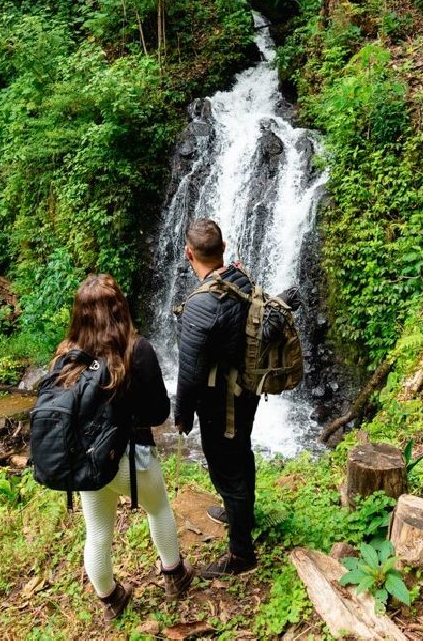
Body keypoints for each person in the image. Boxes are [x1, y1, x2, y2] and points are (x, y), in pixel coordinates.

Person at [54, 274, 194, 618]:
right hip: (132, 457)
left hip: (88, 458)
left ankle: (110, 599)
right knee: (158, 508)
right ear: (120, 308)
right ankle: (174, 575)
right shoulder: (137, 350)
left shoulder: (66, 355)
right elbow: (159, 412)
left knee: (98, 530)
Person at [174, 219, 259, 578]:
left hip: (221, 402)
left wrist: (182, 415)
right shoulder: (240, 278)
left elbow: (190, 372)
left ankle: (241, 555)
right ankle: (241, 514)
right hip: (246, 390)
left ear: (189, 254)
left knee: (226, 468)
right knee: (240, 453)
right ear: (224, 249)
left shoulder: (201, 305)